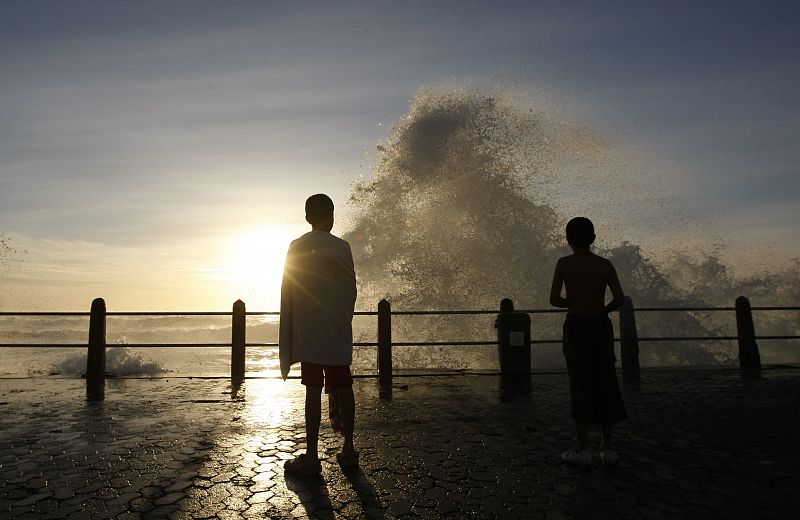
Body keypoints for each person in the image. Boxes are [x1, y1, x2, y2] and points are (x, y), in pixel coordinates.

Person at [279, 194, 358, 475]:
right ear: (332, 215)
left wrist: (293, 325)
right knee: (343, 384)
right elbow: (350, 288)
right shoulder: (342, 247)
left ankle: (311, 457)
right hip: (335, 325)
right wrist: (341, 317)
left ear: (307, 217)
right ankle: (348, 450)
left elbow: (290, 289)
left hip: (309, 327)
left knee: (312, 389)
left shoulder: (297, 246)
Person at [549, 217, 627, 466]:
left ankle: (581, 448)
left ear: (568, 240)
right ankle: (607, 447)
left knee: (580, 381)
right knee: (605, 379)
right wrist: (602, 309)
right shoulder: (604, 265)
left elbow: (554, 300)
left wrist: (571, 302)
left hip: (576, 326)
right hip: (599, 325)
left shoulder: (564, 264)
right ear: (593, 239)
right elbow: (619, 299)